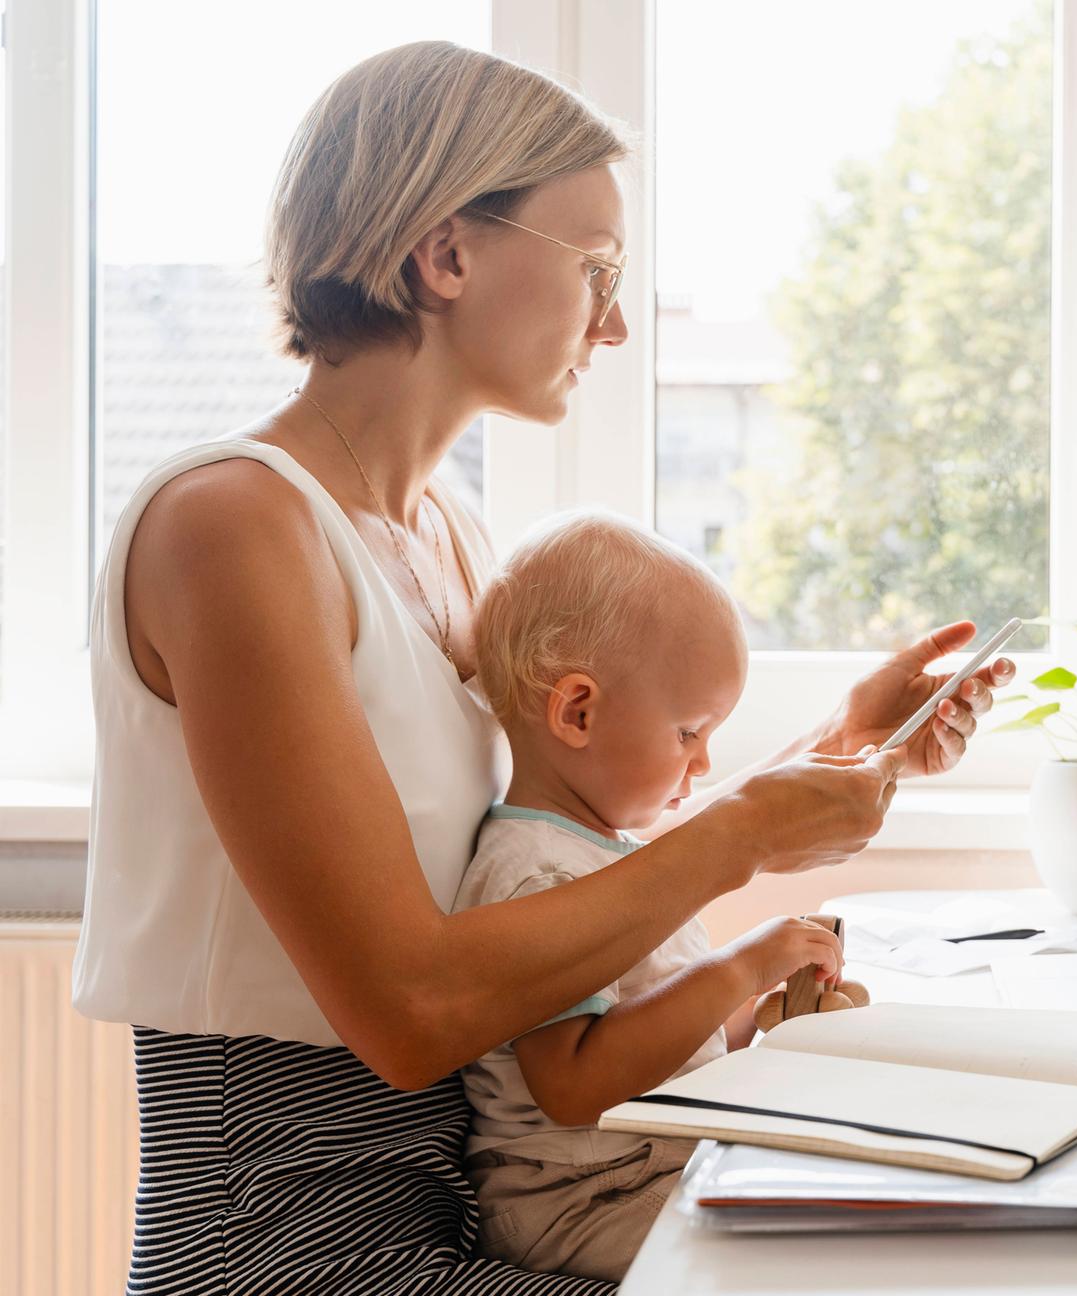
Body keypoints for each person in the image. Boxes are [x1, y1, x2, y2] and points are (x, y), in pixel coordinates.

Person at [70, 40, 1014, 1296]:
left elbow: (562, 844)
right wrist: (742, 832)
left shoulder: (442, 535)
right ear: (446, 253)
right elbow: (408, 1011)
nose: (615, 321)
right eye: (598, 269)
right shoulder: (229, 526)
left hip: (459, 1204)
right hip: (289, 1236)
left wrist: (835, 753)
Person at [454, 511, 851, 1283]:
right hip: (578, 1199)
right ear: (578, 712)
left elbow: (651, 1045)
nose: (702, 764)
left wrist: (756, 1015)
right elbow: (574, 1085)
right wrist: (736, 969)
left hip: (645, 1166)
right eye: (688, 733)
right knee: (799, 1264)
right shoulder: (531, 873)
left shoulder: (612, 856)